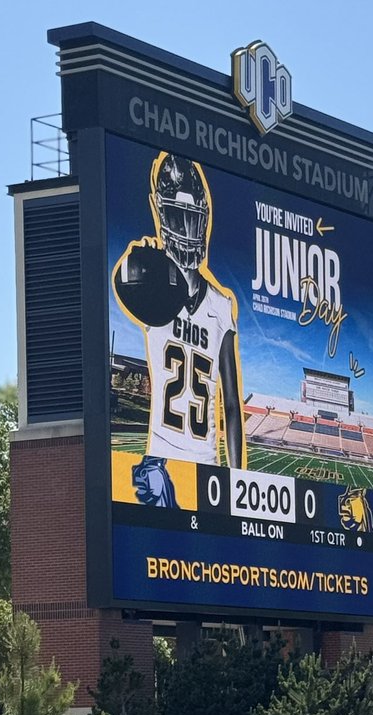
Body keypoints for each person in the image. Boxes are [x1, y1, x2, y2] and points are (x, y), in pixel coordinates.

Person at [112, 152, 246, 474]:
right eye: (176, 217)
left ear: (204, 220)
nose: (186, 228)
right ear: (160, 213)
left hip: (206, 465)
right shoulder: (154, 286)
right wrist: (140, 259)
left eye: (192, 218)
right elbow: (125, 278)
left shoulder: (221, 305)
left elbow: (230, 403)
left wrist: (238, 478)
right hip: (160, 459)